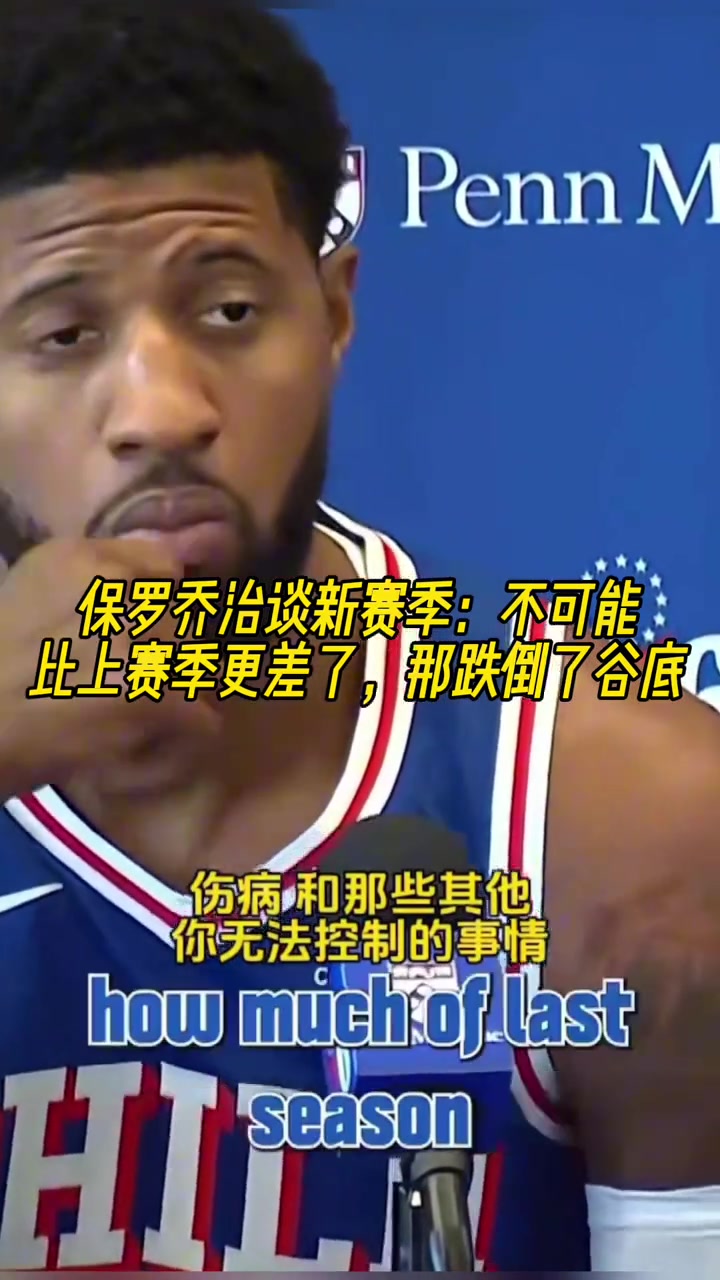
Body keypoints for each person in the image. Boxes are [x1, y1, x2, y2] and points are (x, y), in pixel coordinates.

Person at [0, 0, 717, 1271]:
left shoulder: (612, 803)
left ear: (333, 311)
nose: (163, 409)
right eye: (64, 333)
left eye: (229, 311)